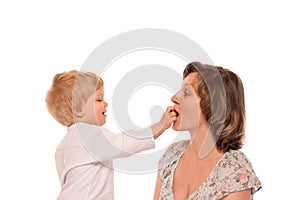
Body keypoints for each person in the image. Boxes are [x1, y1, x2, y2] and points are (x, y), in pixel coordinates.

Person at [45, 70, 177, 200]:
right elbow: (123, 143)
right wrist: (159, 126)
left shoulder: (63, 146)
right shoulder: (88, 135)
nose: (105, 103)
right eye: (99, 99)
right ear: (78, 110)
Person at [154, 62, 261, 200]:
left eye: (186, 93)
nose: (174, 98)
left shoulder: (234, 171)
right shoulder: (171, 156)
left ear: (214, 107)